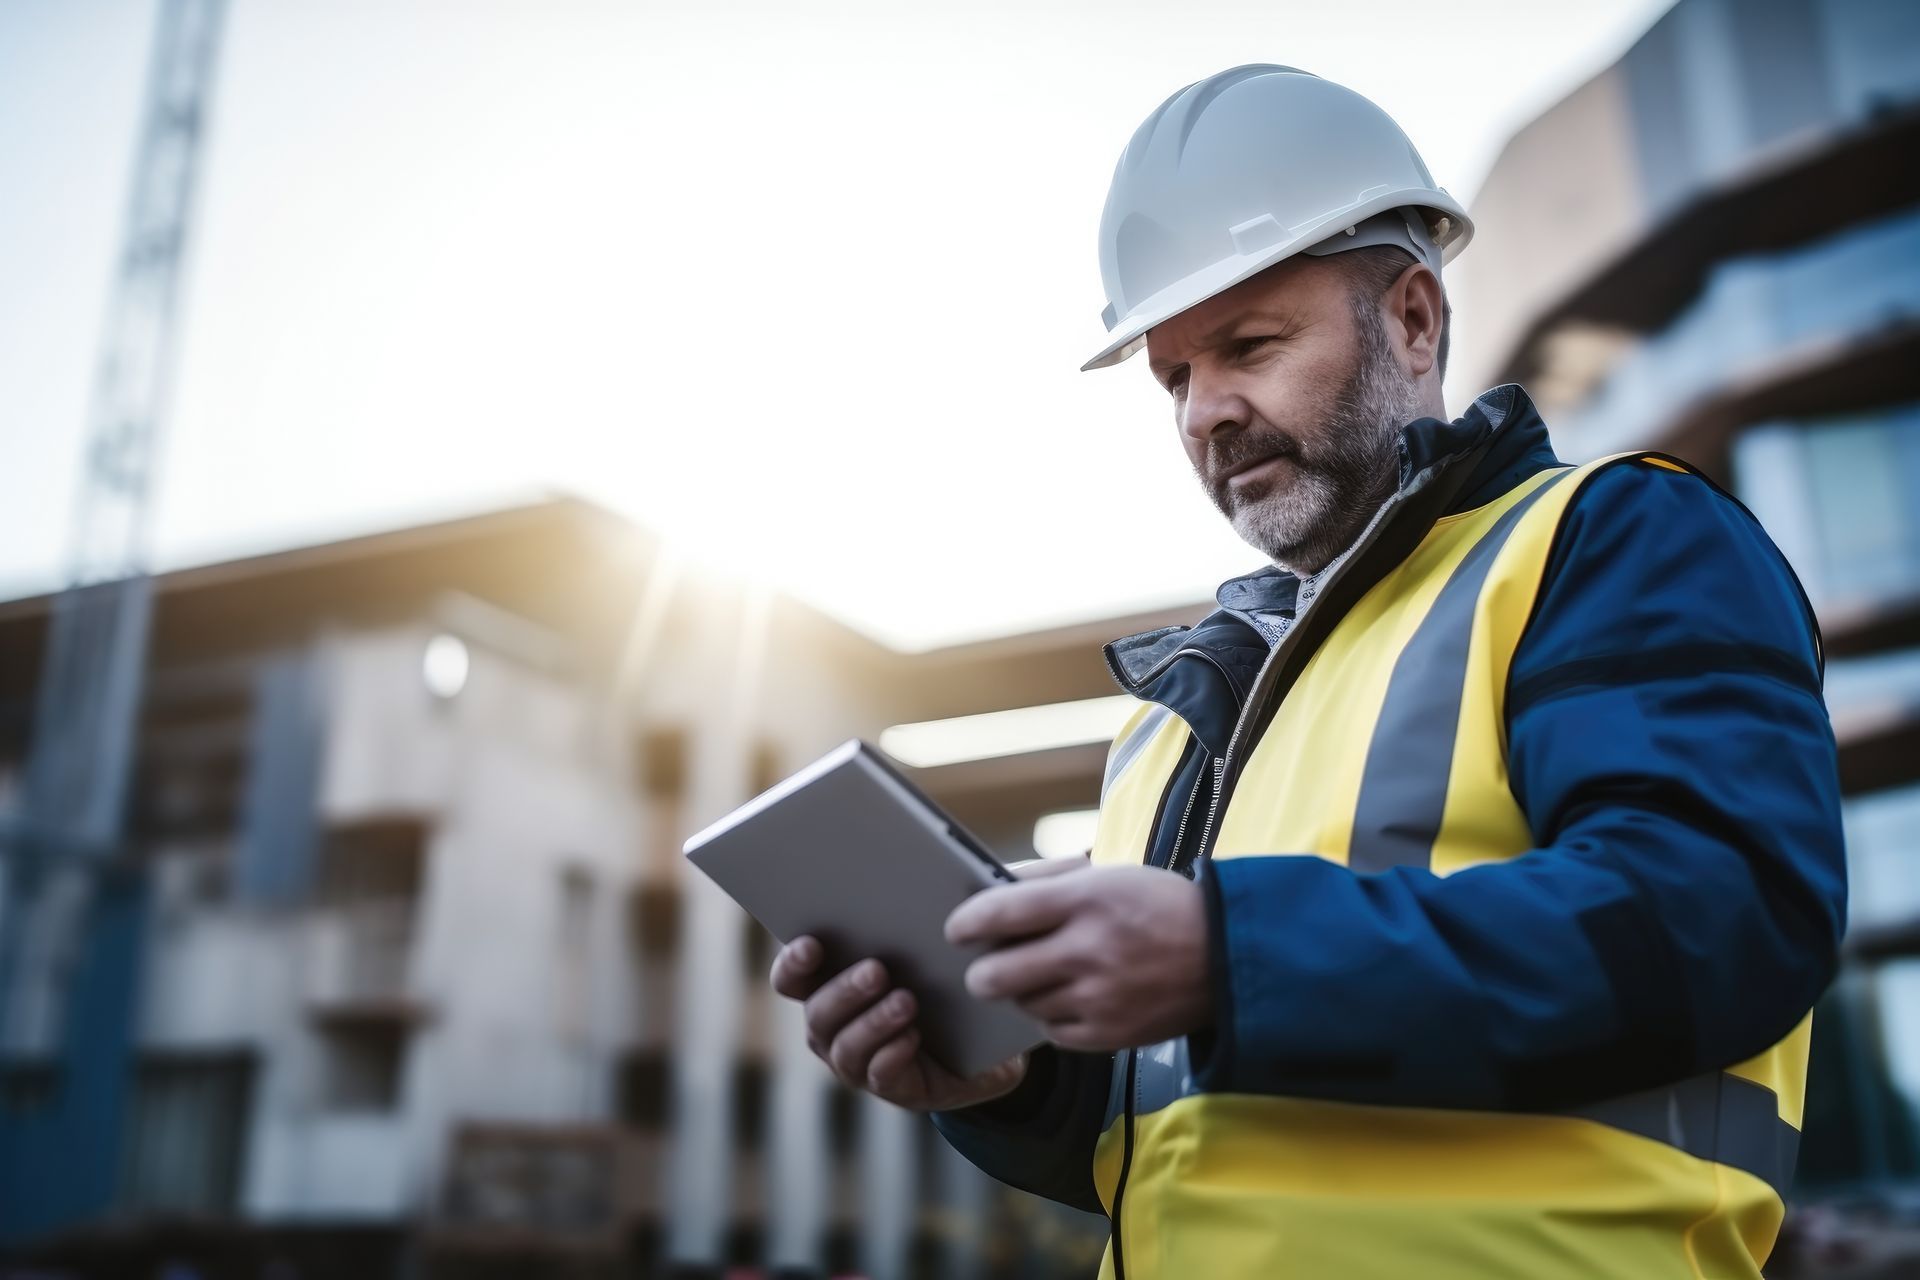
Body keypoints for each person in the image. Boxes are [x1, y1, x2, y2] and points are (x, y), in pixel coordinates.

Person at [769, 64, 1845, 1278]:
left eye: (1248, 345)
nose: (1203, 413)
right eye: (1173, 375)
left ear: (1415, 320)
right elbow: (1176, 1141)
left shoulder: (1605, 541)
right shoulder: (1166, 733)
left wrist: (1226, 954)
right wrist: (1010, 1081)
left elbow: (1720, 915)